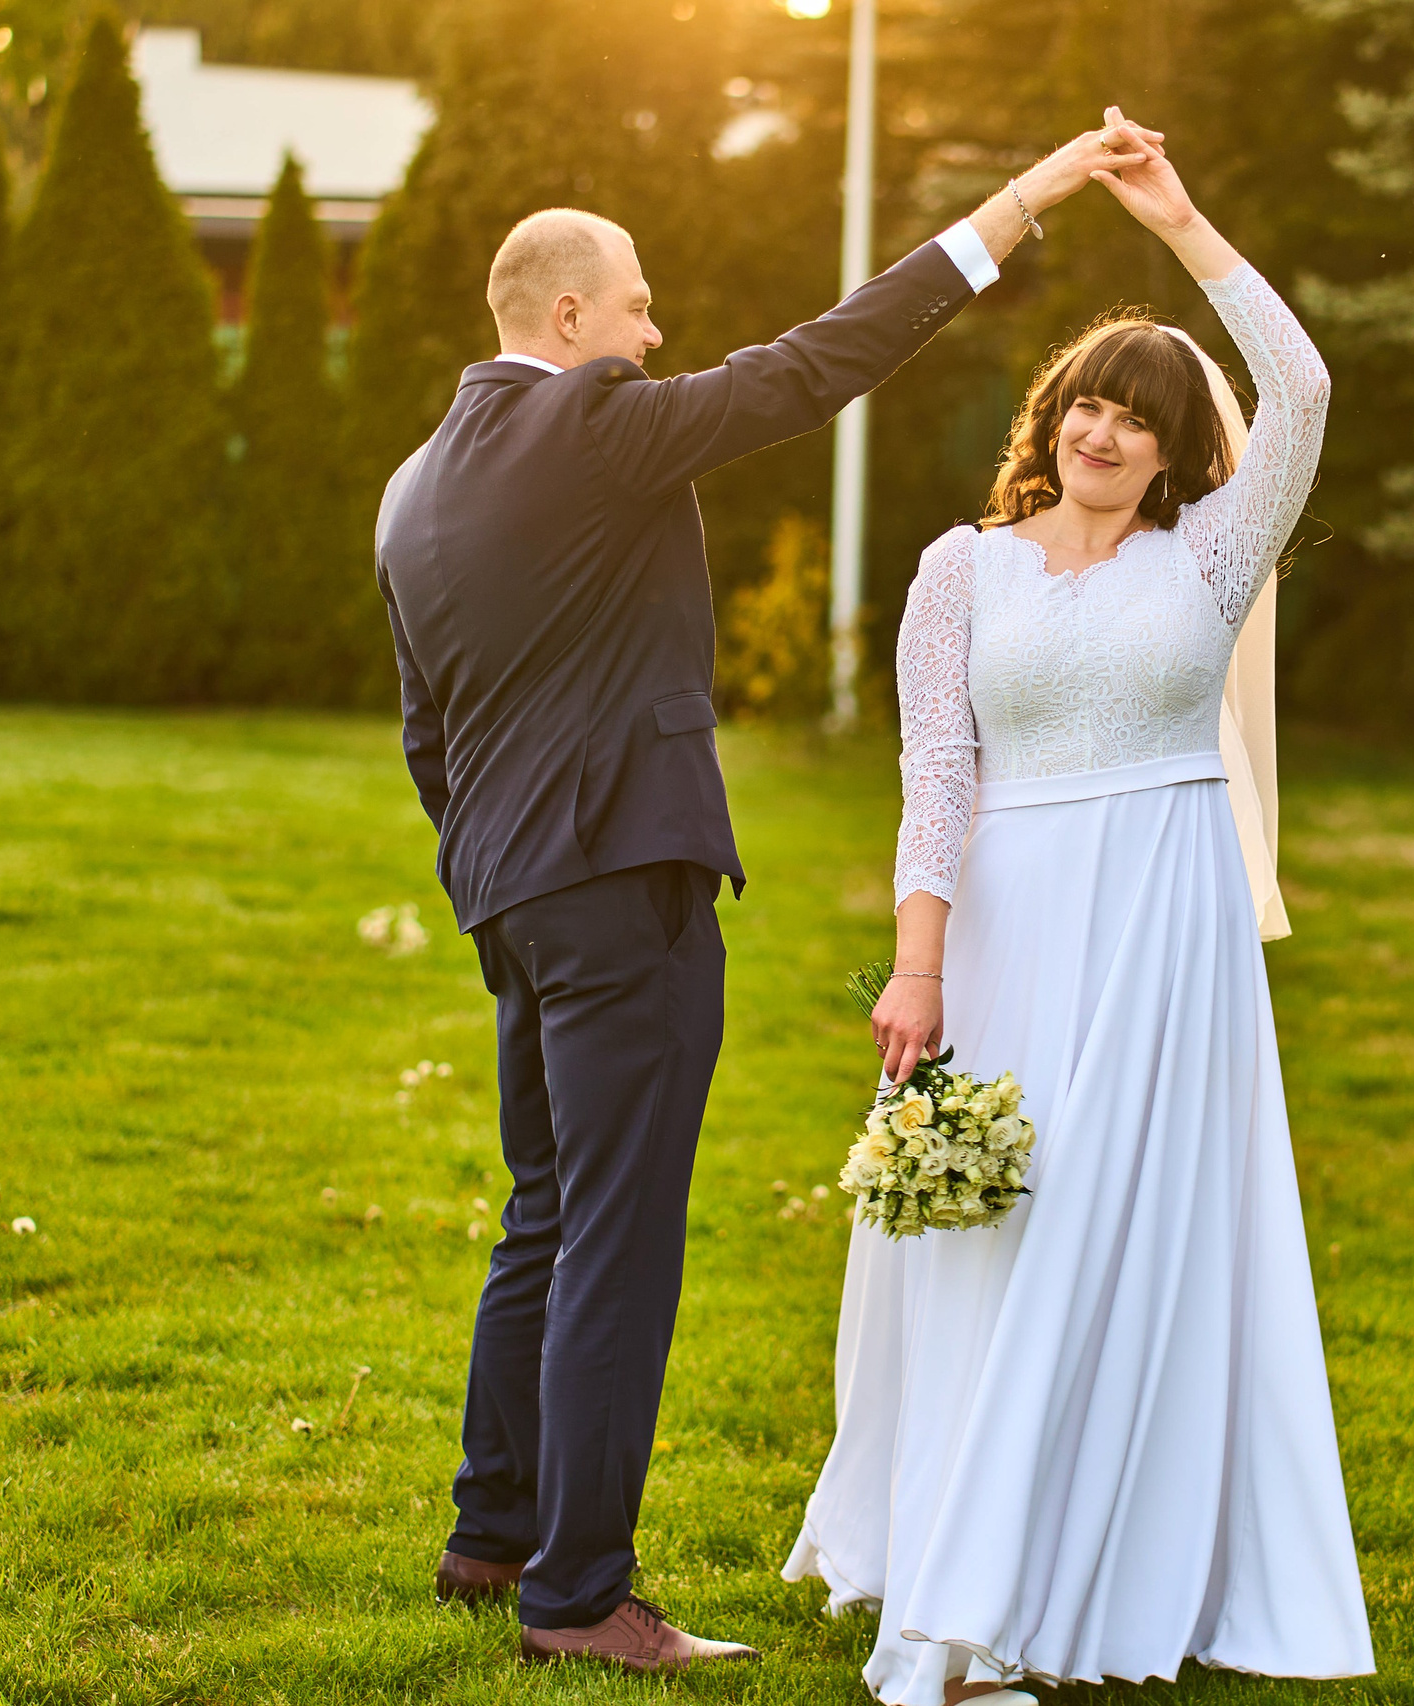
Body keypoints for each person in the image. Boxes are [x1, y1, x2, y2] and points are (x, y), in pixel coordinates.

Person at [373, 120, 1144, 1671]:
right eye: (642, 306)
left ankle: (492, 1526)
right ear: (569, 320)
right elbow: (814, 365)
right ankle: (579, 1593)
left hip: (512, 897)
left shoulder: (412, 488)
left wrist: (495, 869)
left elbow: (425, 732)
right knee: (618, 1235)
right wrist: (1020, 206)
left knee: (544, 1210)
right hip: (618, 887)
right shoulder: (591, 425)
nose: (660, 336)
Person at [783, 112, 1374, 1704]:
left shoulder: (1214, 560)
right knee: (1006, 1241)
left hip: (1170, 934)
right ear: (1050, 422)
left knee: (1131, 1237)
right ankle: (965, 1602)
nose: (1107, 434)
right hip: (1010, 928)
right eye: (1088, 407)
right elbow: (936, 780)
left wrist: (1182, 222)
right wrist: (917, 971)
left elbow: (1304, 392)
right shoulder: (957, 573)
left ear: (1182, 451)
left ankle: (1110, 1567)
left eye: (1140, 419)